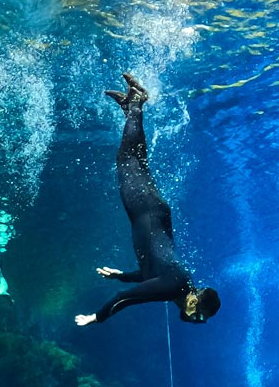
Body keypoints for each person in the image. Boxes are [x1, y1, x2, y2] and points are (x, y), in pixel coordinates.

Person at [75, 73, 220, 326]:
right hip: (147, 212)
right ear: (193, 303)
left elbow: (150, 274)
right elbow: (126, 299)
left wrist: (122, 275)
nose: (195, 318)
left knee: (136, 163)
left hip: (153, 213)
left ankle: (131, 110)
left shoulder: (180, 284)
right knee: (127, 162)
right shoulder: (173, 288)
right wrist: (96, 318)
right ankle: (136, 104)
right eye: (198, 315)